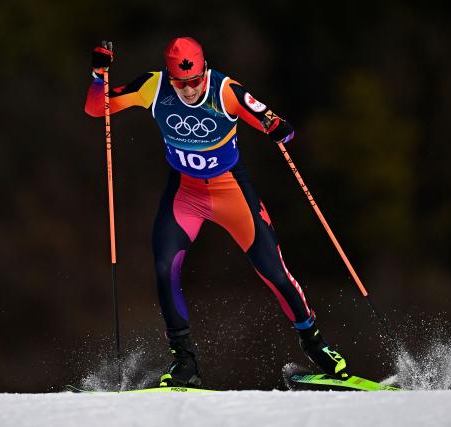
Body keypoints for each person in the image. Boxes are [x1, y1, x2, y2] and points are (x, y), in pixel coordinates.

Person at [85, 37, 348, 387]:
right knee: (165, 268)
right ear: (170, 76)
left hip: (231, 192)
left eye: (195, 81)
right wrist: (99, 73)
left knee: (275, 273)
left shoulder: (226, 91)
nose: (190, 90)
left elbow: (271, 120)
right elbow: (97, 108)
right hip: (185, 194)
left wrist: (277, 127)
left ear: (204, 71)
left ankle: (317, 346)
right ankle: (185, 362)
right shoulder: (153, 86)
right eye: (181, 83)